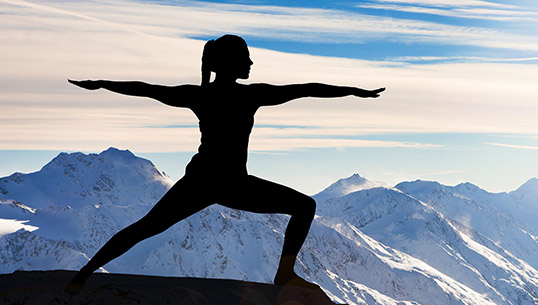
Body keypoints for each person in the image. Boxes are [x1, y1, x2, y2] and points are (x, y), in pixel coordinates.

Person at [66, 34, 384, 289]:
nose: (251, 62)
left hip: (202, 182)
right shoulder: (249, 95)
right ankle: (285, 275)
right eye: (245, 57)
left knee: (145, 228)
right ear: (231, 63)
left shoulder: (202, 95)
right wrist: (356, 92)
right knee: (305, 206)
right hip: (231, 184)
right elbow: (306, 90)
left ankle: (84, 273)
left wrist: (100, 84)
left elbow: (147, 90)